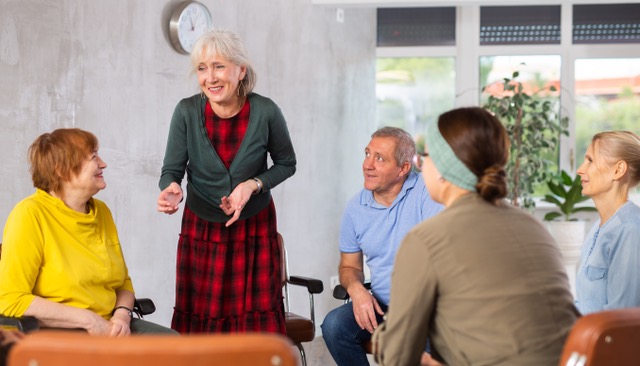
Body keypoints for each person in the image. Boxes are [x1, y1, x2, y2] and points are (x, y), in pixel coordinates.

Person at [373, 107, 579, 366]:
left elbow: (397, 357)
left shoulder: (426, 239)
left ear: (443, 169)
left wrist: (390, 340)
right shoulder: (533, 226)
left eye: (424, 158)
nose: (420, 167)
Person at [157, 29, 296, 335]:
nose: (210, 78)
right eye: (202, 68)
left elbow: (287, 164)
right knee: (201, 319)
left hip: (253, 228)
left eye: (219, 66)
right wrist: (172, 188)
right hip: (202, 228)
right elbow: (172, 170)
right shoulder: (186, 112)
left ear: (241, 70)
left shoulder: (266, 111)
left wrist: (253, 184)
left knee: (252, 324)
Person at [0, 128, 176, 335]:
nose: (103, 163)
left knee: (173, 345)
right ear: (62, 170)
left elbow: (123, 283)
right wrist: (89, 320)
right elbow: (10, 299)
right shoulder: (29, 214)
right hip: (59, 329)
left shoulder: (101, 211)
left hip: (111, 324)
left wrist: (121, 315)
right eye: (93, 157)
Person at [321, 126, 443, 366]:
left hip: (427, 307)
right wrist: (357, 290)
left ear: (403, 169)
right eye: (367, 154)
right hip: (383, 304)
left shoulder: (427, 194)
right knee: (335, 326)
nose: (367, 165)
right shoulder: (355, 209)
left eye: (379, 159)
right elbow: (348, 266)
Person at [574, 131, 640, 314]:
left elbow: (621, 321)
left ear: (618, 170)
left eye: (590, 160)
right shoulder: (599, 227)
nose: (580, 169)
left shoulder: (631, 229)